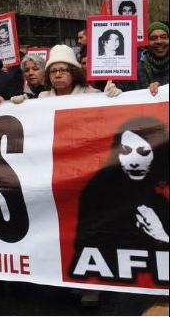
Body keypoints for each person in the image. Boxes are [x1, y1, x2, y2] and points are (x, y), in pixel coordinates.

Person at [70, 117, 168, 305]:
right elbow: (87, 235)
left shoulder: (160, 192)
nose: (133, 160)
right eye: (126, 150)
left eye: (143, 151)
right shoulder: (98, 188)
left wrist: (162, 236)